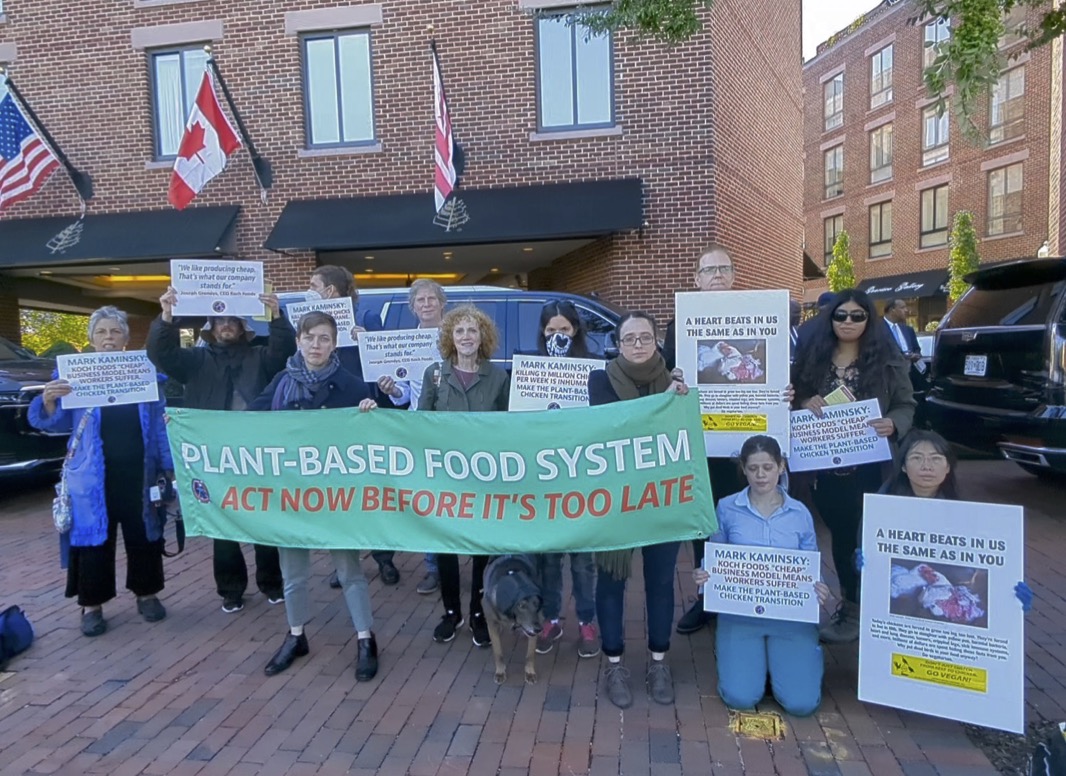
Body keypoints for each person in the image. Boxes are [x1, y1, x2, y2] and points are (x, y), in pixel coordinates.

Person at [664, 244, 792, 635]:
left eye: (724, 268)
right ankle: (708, 597)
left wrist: (787, 391)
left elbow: (777, 370)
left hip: (751, 441)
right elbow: (669, 375)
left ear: (734, 275)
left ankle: (749, 593)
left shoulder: (762, 314)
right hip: (704, 441)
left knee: (752, 514)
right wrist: (674, 380)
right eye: (709, 270)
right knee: (706, 521)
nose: (717, 275)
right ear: (696, 279)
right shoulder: (679, 324)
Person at [249, 312, 381, 681]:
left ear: (334, 344)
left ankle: (365, 638)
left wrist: (371, 412)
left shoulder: (352, 385)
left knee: (349, 570)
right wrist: (192, 424)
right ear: (298, 341)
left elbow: (374, 437)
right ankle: (296, 635)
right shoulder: (281, 383)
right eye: (310, 338)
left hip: (337, 497)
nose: (316, 345)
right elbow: (245, 422)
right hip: (292, 495)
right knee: (292, 572)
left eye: (324, 338)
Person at [148, 285, 295, 613]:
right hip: (214, 457)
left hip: (256, 453)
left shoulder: (261, 356)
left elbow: (284, 350)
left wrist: (276, 316)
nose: (226, 325)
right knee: (222, 524)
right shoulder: (195, 360)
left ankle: (272, 583)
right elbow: (162, 354)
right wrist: (166, 318)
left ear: (243, 328)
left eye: (233, 320)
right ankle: (231, 589)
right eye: (219, 321)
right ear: (211, 328)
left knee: (264, 520)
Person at [29, 307, 172, 637]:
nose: (109, 338)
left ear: (125, 338)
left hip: (139, 472)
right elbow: (53, 425)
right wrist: (48, 402)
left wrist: (168, 466)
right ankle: (92, 605)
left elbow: (160, 425)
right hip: (91, 477)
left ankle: (147, 594)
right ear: (91, 339)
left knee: (144, 534)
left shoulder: (144, 373)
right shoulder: (73, 376)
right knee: (93, 539)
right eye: (102, 332)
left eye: (115, 331)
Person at [792, 289, 915, 643]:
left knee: (871, 540)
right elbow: (794, 395)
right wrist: (804, 401)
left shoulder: (887, 359)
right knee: (843, 538)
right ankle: (851, 608)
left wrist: (893, 423)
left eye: (857, 316)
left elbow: (906, 404)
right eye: (841, 315)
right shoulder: (814, 357)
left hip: (872, 468)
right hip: (825, 470)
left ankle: (878, 611)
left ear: (868, 320)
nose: (848, 322)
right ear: (830, 319)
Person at [588, 311, 690, 709]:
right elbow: (614, 426)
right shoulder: (600, 381)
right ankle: (614, 662)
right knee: (611, 581)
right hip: (615, 500)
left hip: (662, 497)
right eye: (629, 338)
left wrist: (680, 398)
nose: (637, 345)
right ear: (618, 344)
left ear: (656, 341)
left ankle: (659, 661)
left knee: (661, 581)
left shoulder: (676, 382)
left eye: (645, 337)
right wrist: (665, 402)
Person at [692, 435, 829, 716]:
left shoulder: (800, 513)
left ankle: (783, 665)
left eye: (768, 467)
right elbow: (716, 555)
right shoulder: (726, 507)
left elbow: (811, 564)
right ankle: (755, 665)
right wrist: (706, 575)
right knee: (740, 697)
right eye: (753, 468)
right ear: (743, 469)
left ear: (781, 466)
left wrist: (819, 588)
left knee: (802, 703)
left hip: (789, 614)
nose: (761, 475)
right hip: (741, 613)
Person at [419, 304, 510, 647]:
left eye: (472, 330)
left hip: (484, 477)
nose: (466, 336)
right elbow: (419, 423)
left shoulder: (499, 376)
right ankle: (451, 612)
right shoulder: (434, 375)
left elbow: (510, 424)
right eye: (459, 331)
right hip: (445, 476)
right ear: (450, 337)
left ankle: (477, 614)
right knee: (446, 546)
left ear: (483, 336)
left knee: (481, 548)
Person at [305, 265, 399, 587]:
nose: (309, 290)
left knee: (374, 488)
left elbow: (387, 360)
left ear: (330, 290)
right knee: (341, 492)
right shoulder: (314, 322)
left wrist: (366, 340)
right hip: (332, 415)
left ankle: (384, 558)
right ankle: (345, 562)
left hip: (367, 411)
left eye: (313, 285)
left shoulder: (367, 317)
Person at [526, 301, 600, 659]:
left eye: (565, 330)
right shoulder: (529, 371)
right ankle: (551, 618)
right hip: (545, 479)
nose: (558, 336)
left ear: (576, 331)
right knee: (549, 558)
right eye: (552, 330)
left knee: (583, 560)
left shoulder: (593, 370)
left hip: (582, 476)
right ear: (543, 333)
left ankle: (587, 620)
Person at [376, 279, 448, 595]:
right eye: (421, 300)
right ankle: (433, 567)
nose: (427, 304)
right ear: (413, 307)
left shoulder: (458, 335)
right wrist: (392, 390)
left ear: (442, 303)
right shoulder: (405, 342)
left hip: (456, 427)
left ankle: (471, 563)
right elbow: (404, 393)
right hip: (421, 430)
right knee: (429, 499)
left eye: (432, 298)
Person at [882, 298, 928, 393]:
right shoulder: (877, 328)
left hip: (910, 376)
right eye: (902, 307)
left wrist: (916, 355)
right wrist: (904, 357)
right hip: (889, 378)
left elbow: (916, 348)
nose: (906, 310)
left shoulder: (907, 329)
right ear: (892, 310)